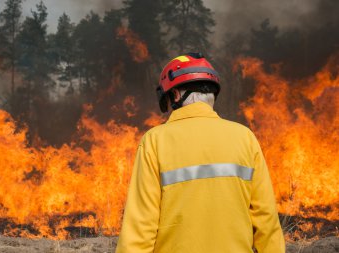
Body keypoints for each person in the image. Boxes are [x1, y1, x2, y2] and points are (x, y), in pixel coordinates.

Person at [115, 53, 285, 253]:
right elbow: (266, 221)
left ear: (176, 95)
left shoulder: (154, 141)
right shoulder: (245, 138)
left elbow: (140, 227)